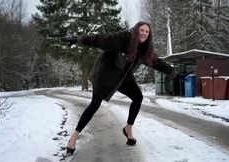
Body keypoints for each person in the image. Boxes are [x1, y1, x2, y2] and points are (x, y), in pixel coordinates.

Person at [64, 21, 176, 155]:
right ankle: (74, 136)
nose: (144, 33)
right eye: (142, 30)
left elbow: (154, 61)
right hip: (106, 73)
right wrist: (79, 39)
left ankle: (128, 129)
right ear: (136, 30)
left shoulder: (145, 48)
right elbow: (101, 39)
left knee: (138, 97)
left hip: (123, 77)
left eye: (147, 31)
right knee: (95, 104)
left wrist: (170, 71)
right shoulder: (124, 37)